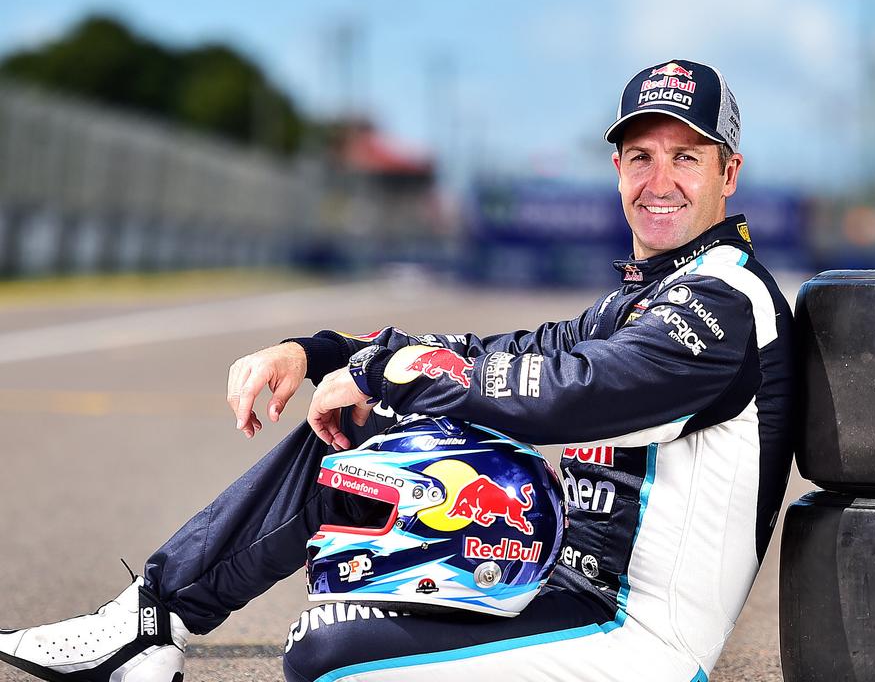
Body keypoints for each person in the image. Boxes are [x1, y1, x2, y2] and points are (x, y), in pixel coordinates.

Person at [0, 58, 794, 682]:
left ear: (730, 173)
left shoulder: (721, 303)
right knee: (360, 430)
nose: (660, 182)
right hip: (560, 581)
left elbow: (567, 395)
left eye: (687, 157)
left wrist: (391, 373)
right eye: (640, 156)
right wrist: (322, 354)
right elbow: (500, 354)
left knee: (325, 650)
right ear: (617, 168)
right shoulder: (645, 296)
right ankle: (149, 623)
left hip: (635, 636)